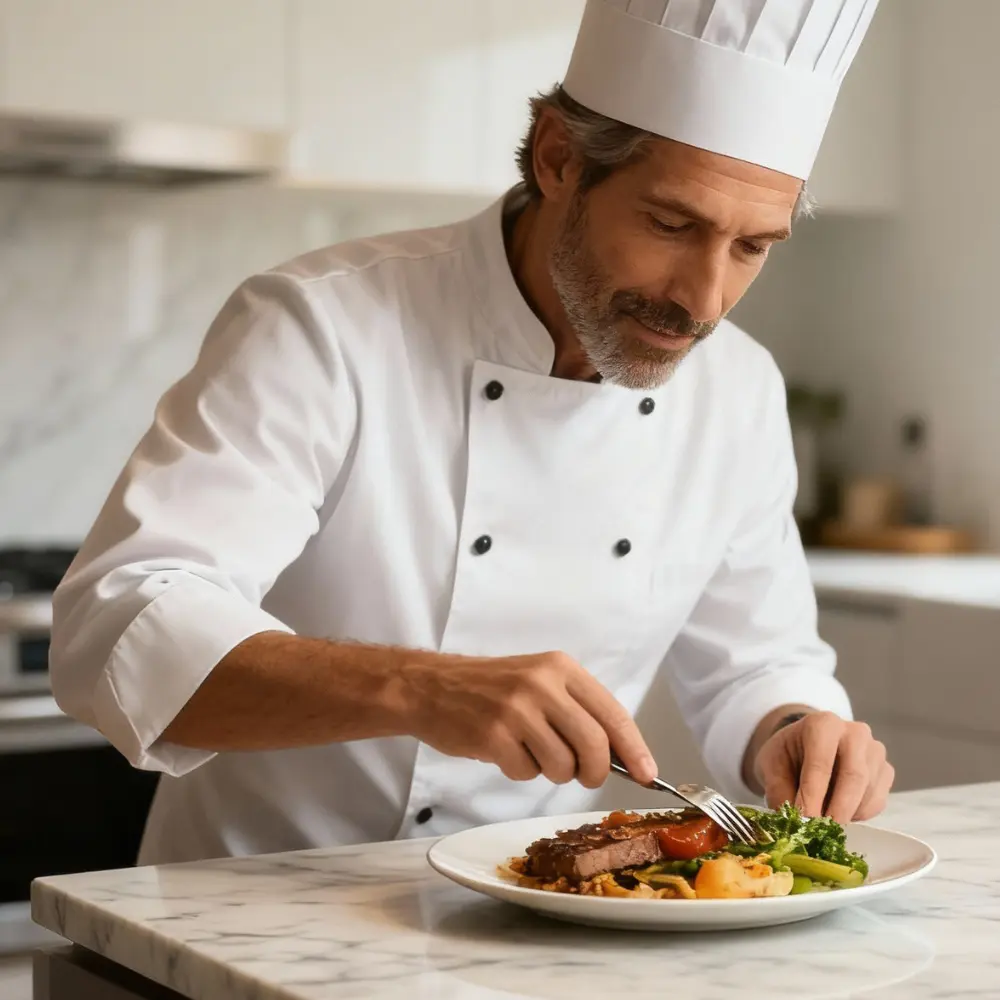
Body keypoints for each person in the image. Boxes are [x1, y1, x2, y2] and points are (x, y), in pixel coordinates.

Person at [51, 0, 894, 865]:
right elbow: (117, 626)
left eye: (753, 247)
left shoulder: (738, 390)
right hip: (254, 911)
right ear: (558, 158)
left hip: (544, 921)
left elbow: (755, 662)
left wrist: (796, 727)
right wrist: (419, 686)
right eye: (672, 225)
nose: (703, 300)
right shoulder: (325, 325)